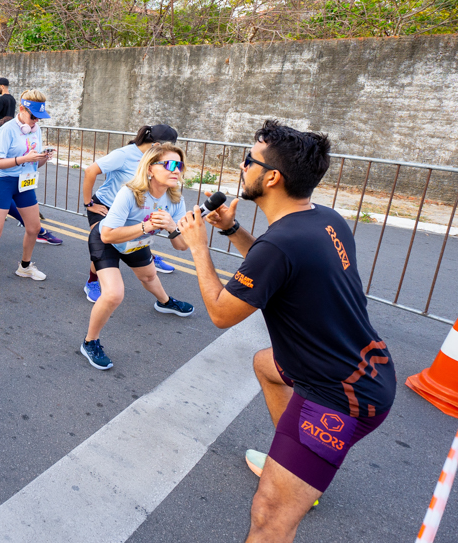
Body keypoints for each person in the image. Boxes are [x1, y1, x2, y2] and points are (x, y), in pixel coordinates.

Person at [176, 120, 395, 543]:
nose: (241, 168)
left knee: (269, 519)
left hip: (341, 396)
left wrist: (201, 247)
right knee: (266, 364)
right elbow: (276, 268)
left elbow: (222, 313)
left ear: (271, 177)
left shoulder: (280, 245)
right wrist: (230, 230)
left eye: (247, 161)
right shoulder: (323, 220)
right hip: (361, 367)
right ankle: (290, 457)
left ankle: (297, 471)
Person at [81, 144, 195, 370]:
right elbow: (107, 233)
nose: (177, 170)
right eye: (170, 164)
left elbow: (181, 246)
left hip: (135, 242)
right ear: (150, 169)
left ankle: (165, 303)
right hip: (108, 240)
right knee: (113, 295)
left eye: (180, 165)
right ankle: (90, 342)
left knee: (150, 277)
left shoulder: (175, 200)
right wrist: (147, 226)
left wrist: (173, 227)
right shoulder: (130, 192)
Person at [81, 124, 180, 302]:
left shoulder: (157, 162)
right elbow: (90, 170)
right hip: (106, 206)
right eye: (169, 147)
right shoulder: (125, 155)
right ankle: (93, 281)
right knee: (106, 245)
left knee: (136, 236)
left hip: (132, 210)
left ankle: (148, 257)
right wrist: (89, 203)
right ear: (157, 145)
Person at [0, 90, 52, 298]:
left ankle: (24, 267)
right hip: (4, 181)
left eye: (39, 118)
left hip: (25, 181)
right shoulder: (7, 130)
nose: (35, 121)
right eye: (33, 116)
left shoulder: (37, 130)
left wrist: (43, 157)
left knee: (34, 228)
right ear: (22, 110)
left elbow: (35, 162)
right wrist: (24, 159)